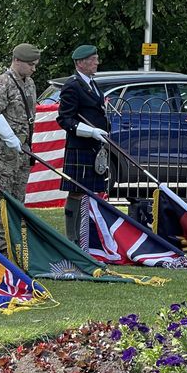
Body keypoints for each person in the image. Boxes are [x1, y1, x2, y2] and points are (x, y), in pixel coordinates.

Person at [0, 43, 41, 255]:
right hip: (4, 152)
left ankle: (16, 243)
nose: (34, 68)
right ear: (17, 61)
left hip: (22, 150)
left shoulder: (30, 83)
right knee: (0, 198)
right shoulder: (3, 83)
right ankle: (0, 248)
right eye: (30, 64)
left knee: (18, 199)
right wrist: (8, 136)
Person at [55, 44, 109, 244]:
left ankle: (83, 236)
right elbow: (64, 119)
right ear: (80, 62)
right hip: (80, 146)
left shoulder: (92, 83)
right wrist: (90, 131)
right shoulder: (73, 85)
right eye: (93, 59)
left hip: (94, 147)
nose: (97, 62)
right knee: (76, 191)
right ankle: (72, 238)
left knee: (87, 192)